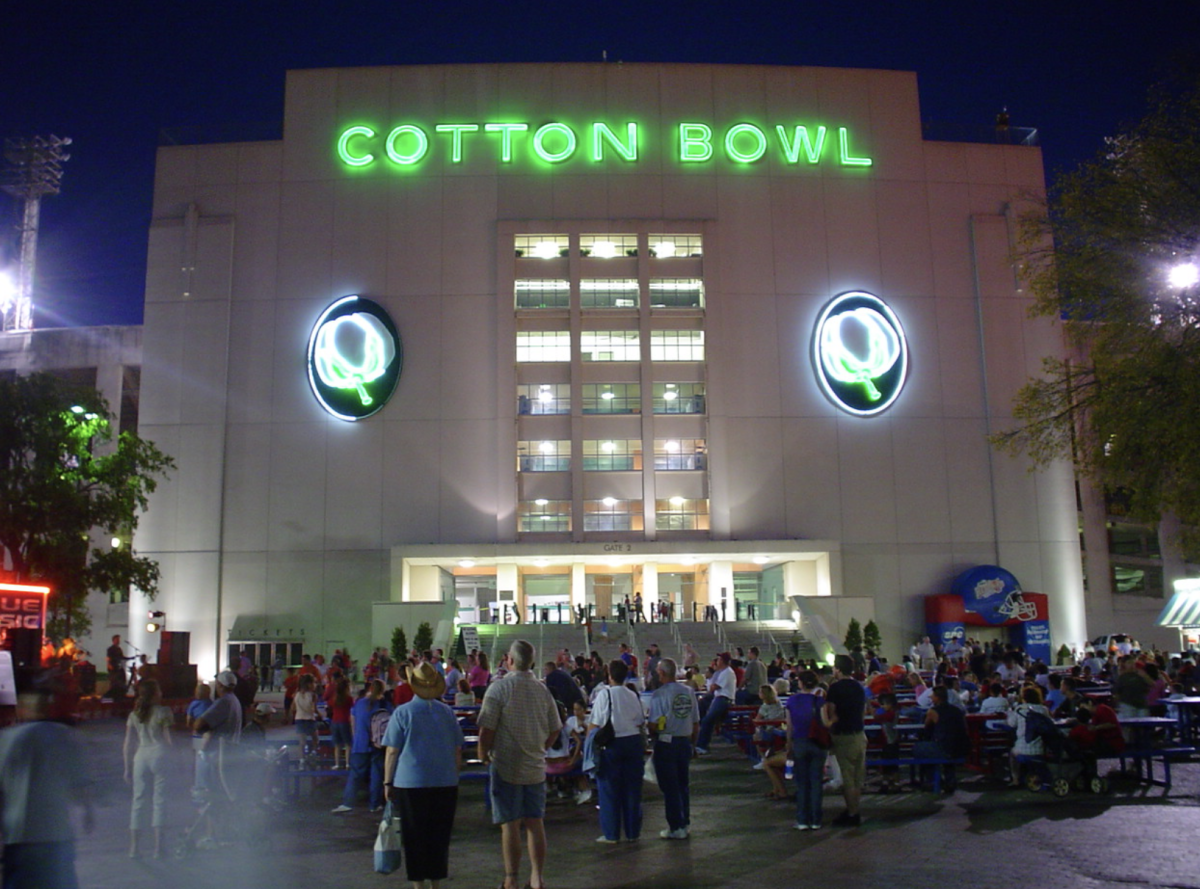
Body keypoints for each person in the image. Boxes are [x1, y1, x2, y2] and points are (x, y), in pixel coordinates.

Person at [477, 640, 562, 889]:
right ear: (532, 663)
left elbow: (486, 729)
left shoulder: (498, 689)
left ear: (510, 660)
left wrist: (483, 755)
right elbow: (555, 728)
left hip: (506, 765)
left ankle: (511, 878)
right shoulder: (542, 690)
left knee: (510, 824)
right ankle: (537, 877)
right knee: (535, 822)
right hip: (535, 767)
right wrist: (541, 748)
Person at [0, 685, 94, 889]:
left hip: (19, 833)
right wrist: (87, 811)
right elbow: (79, 782)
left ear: (21, 709)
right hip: (55, 832)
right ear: (47, 709)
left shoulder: (7, 738)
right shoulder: (65, 736)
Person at [383, 663, 464, 889]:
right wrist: (453, 775)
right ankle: (435, 883)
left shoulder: (403, 712)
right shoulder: (447, 712)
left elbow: (392, 751)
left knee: (414, 837)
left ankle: (418, 885)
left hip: (410, 783)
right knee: (439, 837)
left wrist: (387, 781)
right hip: (445, 783)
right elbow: (458, 748)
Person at [589, 659, 646, 843]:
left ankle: (611, 833)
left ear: (609, 675)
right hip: (633, 743)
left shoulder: (604, 695)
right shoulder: (632, 694)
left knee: (609, 790)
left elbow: (595, 723)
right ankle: (632, 832)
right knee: (632, 789)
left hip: (612, 745)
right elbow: (639, 720)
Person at [647, 657, 698, 839]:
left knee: (670, 787)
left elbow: (653, 724)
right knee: (683, 784)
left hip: (666, 743)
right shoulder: (689, 692)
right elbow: (695, 721)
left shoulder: (659, 695)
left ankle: (676, 826)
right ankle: (685, 822)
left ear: (661, 673)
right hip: (684, 741)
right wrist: (693, 744)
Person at [123, 679, 174, 858]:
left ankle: (134, 848)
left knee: (138, 801)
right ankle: (158, 848)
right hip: (159, 754)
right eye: (159, 690)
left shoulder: (134, 714)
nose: (161, 693)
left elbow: (128, 743)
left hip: (141, 756)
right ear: (154, 694)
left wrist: (127, 767)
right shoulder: (164, 712)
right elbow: (168, 740)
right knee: (159, 800)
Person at [334, 679, 391, 814]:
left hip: (360, 744)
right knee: (376, 775)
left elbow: (352, 721)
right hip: (378, 745)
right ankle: (374, 804)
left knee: (355, 775)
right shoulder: (385, 705)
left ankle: (348, 802)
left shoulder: (360, 703)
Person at [823, 655, 866, 826]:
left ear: (838, 669)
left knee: (847, 778)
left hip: (843, 735)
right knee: (857, 777)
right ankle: (853, 809)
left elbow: (832, 714)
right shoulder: (858, 686)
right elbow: (863, 710)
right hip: (859, 733)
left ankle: (852, 813)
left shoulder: (835, 688)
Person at [784, 670, 827, 829]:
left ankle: (802, 819)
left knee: (802, 783)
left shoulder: (792, 701)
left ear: (800, 683)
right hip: (817, 743)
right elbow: (824, 723)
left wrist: (789, 744)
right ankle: (816, 819)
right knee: (816, 782)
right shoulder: (819, 701)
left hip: (800, 742)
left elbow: (789, 726)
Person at [911, 686, 969, 792]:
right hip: (961, 747)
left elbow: (926, 727)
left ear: (937, 698)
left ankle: (932, 780)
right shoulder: (957, 710)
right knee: (947, 749)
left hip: (944, 747)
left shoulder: (933, 712)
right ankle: (950, 780)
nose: (930, 697)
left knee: (918, 749)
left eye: (932, 696)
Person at [695, 652, 736, 754]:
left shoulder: (727, 672)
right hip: (719, 697)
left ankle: (702, 745)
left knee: (708, 720)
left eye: (718, 660)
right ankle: (699, 738)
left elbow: (714, 687)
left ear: (722, 661)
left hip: (723, 699)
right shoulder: (723, 672)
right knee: (703, 707)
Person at [325, 675, 353, 769]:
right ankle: (348, 763)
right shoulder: (348, 698)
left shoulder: (334, 698)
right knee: (347, 744)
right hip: (345, 721)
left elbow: (328, 705)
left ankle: (337, 764)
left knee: (337, 745)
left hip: (335, 721)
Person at [290, 673, 320, 757]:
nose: (315, 685)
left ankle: (301, 761)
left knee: (302, 742)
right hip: (310, 719)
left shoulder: (296, 694)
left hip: (299, 719)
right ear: (309, 684)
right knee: (315, 740)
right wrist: (320, 715)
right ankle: (313, 754)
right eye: (314, 683)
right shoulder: (313, 695)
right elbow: (314, 709)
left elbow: (293, 708)